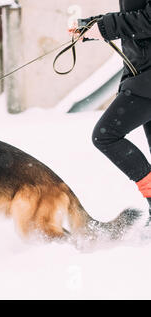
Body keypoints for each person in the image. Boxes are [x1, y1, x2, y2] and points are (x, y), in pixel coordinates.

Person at [77, 0, 151, 216]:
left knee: (106, 135)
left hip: (146, 78)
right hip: (142, 71)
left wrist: (104, 27)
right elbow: (138, 15)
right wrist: (94, 25)